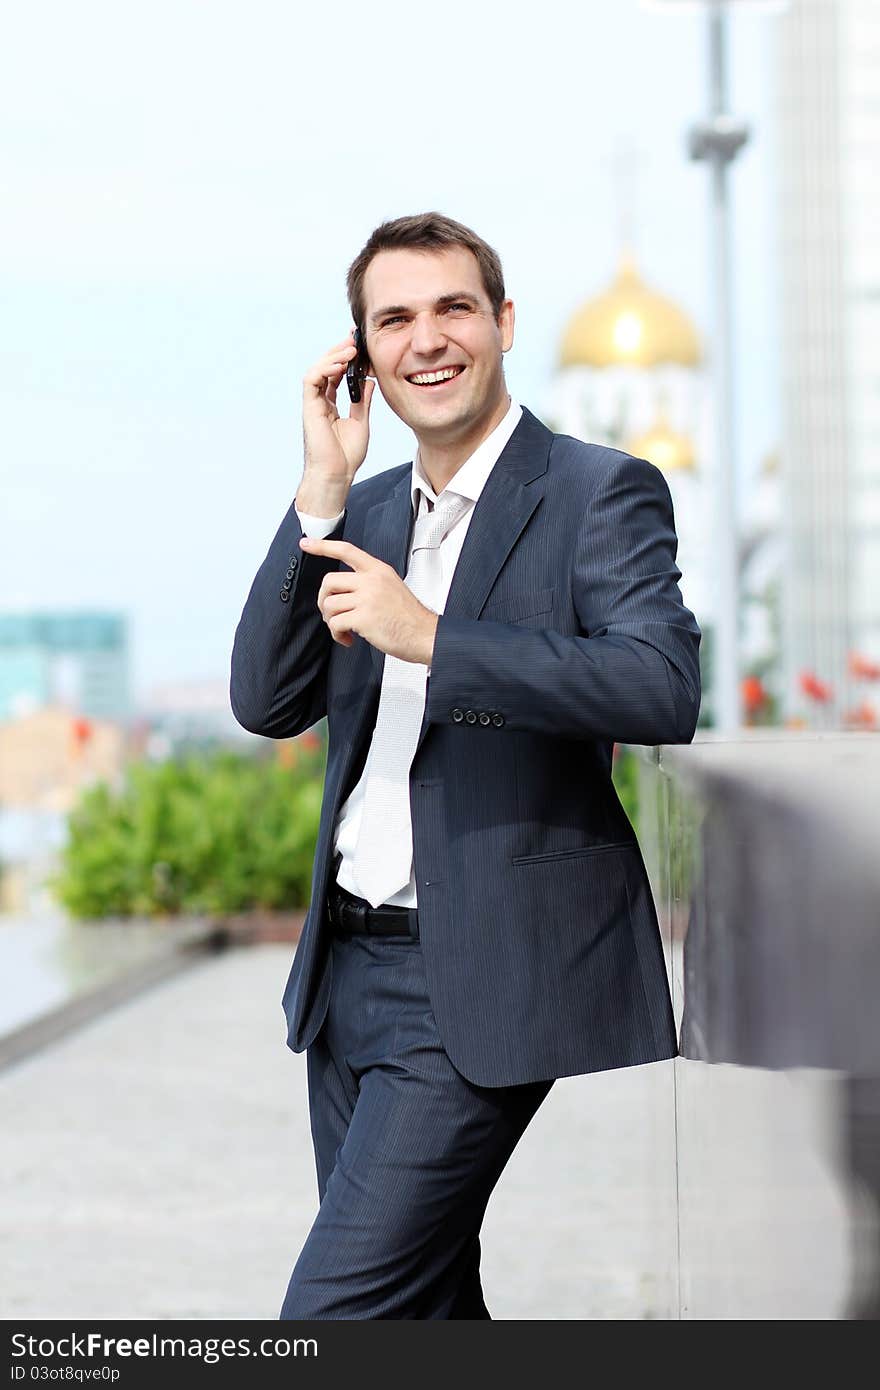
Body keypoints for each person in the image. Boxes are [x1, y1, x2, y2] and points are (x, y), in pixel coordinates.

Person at [230, 212, 701, 1319]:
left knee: (332, 1316)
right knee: (424, 1309)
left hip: (477, 982)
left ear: (501, 322)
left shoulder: (598, 491)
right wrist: (320, 494)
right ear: (362, 354)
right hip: (347, 976)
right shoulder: (371, 509)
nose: (425, 339)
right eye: (393, 318)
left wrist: (433, 637)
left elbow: (658, 686)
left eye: (451, 308)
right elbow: (264, 697)